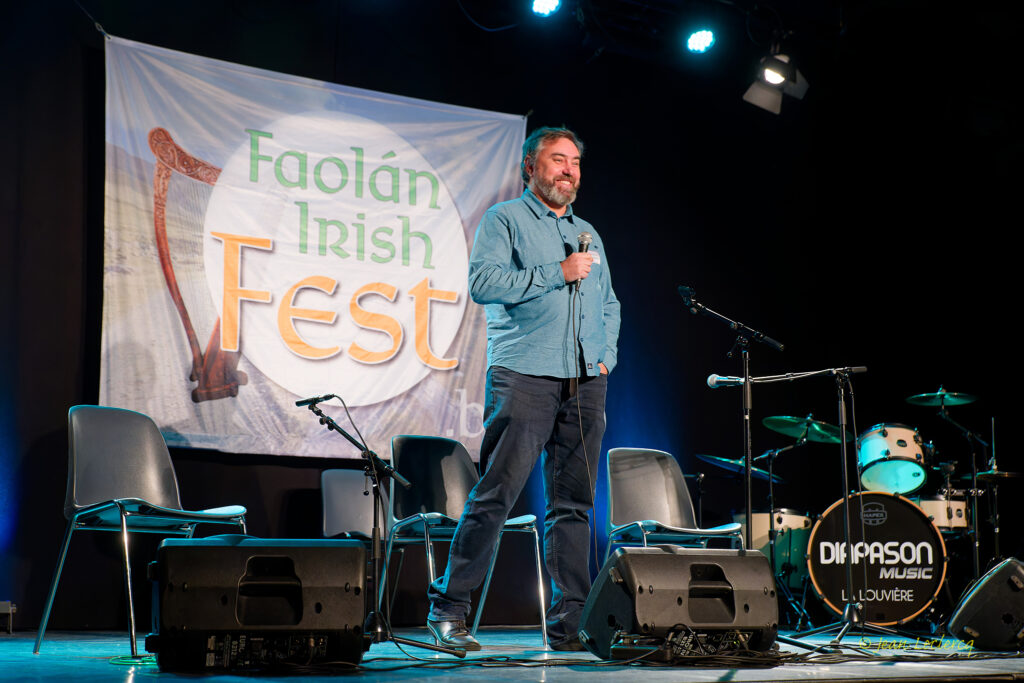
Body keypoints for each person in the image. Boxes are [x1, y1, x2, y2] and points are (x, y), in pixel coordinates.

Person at [426, 127, 620, 652]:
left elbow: (609, 302)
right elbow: (484, 284)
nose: (568, 170)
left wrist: (606, 356)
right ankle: (449, 610)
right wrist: (558, 272)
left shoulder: (588, 233)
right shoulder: (504, 219)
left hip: (585, 380)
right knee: (497, 494)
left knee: (574, 505)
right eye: (557, 160)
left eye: (575, 162)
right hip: (525, 374)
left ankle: (570, 625)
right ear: (531, 167)